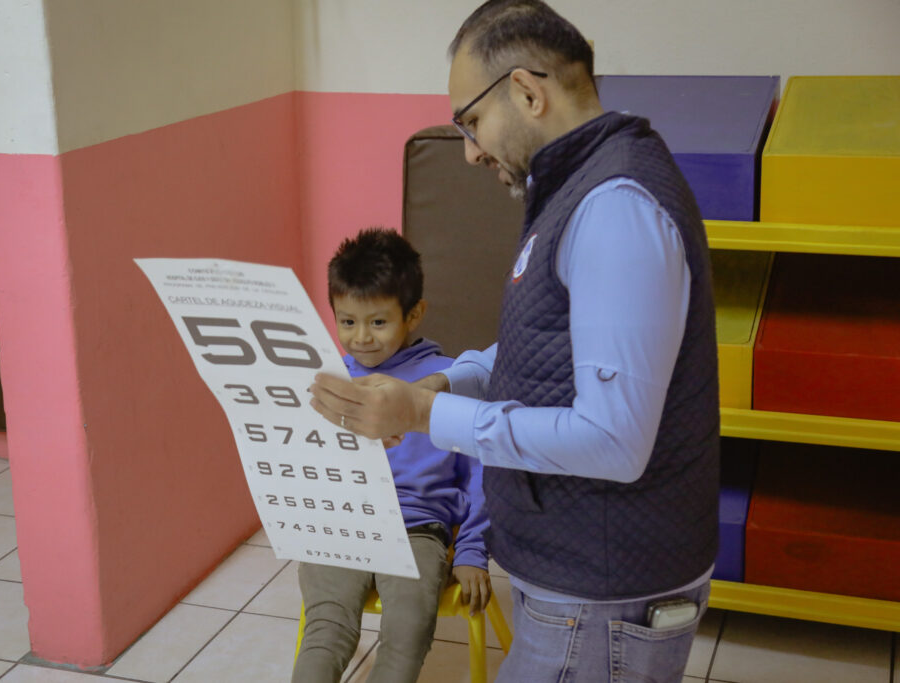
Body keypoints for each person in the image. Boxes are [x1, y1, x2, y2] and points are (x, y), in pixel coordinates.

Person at [309, 2, 720, 681]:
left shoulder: (615, 207)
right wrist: (447, 379)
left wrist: (423, 415)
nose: (469, 150)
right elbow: (555, 346)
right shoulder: (575, 188)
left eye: (470, 122)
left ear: (528, 92)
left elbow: (614, 439)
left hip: (601, 589)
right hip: (574, 575)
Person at [293, 227, 492, 683]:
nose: (361, 338)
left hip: (419, 529)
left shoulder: (448, 378)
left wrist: (472, 550)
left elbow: (480, 472)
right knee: (326, 629)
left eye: (378, 322)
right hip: (341, 520)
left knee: (408, 628)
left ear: (414, 314)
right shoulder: (326, 381)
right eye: (347, 321)